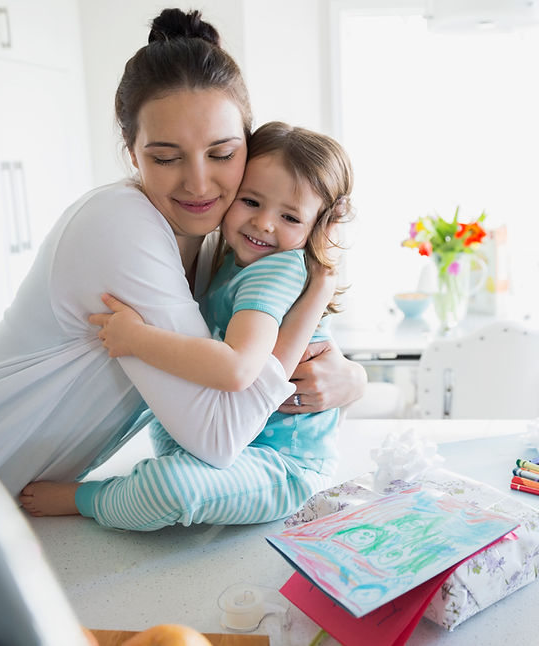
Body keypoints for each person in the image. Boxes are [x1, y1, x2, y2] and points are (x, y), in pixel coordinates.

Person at [0, 8, 366, 500]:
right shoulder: (120, 225)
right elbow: (221, 434)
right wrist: (317, 296)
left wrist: (351, 379)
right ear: (132, 153)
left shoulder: (216, 243)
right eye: (166, 157)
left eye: (221, 154)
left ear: (247, 149)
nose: (199, 183)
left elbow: (244, 354)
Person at [18, 121, 355, 530]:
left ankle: (87, 499)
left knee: (170, 490)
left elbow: (237, 369)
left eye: (289, 216)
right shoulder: (234, 259)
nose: (264, 223)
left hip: (284, 467)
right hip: (231, 448)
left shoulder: (277, 268)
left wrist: (137, 339)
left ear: (318, 228)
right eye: (251, 201)